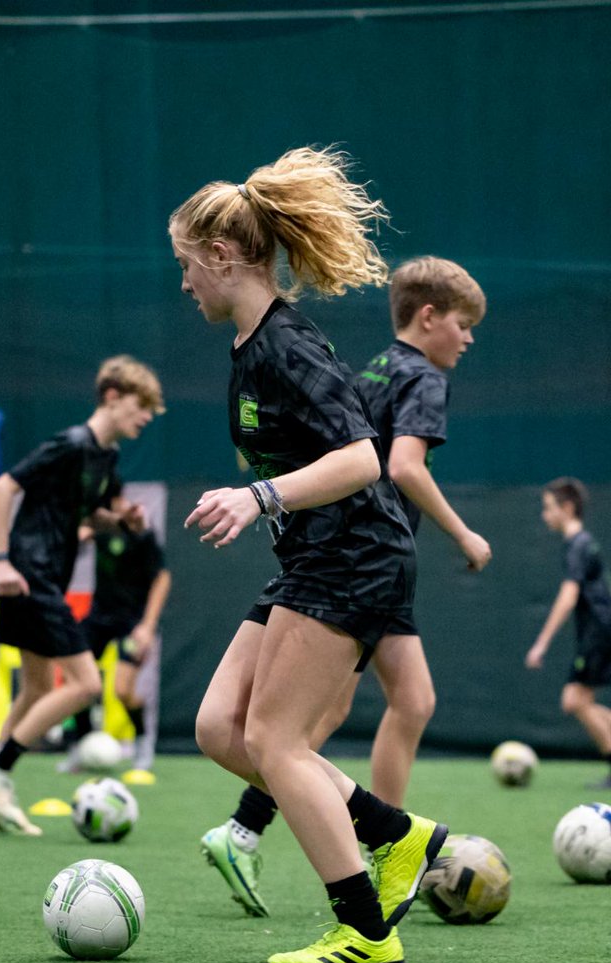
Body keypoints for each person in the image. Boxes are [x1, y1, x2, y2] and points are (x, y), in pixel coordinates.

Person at [170, 145, 447, 963]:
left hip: (353, 556)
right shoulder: (251, 344)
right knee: (221, 729)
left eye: (187, 265)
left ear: (224, 256)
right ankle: (396, 834)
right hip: (315, 557)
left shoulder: (287, 346)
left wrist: (256, 497)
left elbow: (364, 459)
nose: (184, 283)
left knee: (276, 740)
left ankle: (365, 929)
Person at [205, 256, 491, 915]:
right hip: (357, 554)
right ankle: (386, 844)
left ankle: (354, 841)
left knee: (355, 712)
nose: (468, 338)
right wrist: (465, 534)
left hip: (341, 552)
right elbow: (401, 465)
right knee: (301, 725)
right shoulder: (423, 375)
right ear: (429, 317)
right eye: (463, 324)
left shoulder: (377, 366)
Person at [0, 355, 165, 833]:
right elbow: (3, 488)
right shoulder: (71, 443)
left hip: (48, 577)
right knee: (87, 685)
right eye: (141, 406)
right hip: (29, 575)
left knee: (35, 690)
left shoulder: (105, 456)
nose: (146, 417)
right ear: (112, 397)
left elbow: (88, 515)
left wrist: (121, 521)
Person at [58, 520, 172, 777]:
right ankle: (81, 746)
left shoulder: (142, 533)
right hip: (98, 618)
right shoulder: (100, 526)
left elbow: (163, 578)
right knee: (76, 680)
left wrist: (147, 626)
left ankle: (142, 741)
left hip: (133, 623)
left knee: (122, 689)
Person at [526, 477, 611, 788]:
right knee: (576, 700)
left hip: (597, 634)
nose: (545, 515)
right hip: (597, 632)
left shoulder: (578, 544)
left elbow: (569, 595)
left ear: (568, 508)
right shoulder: (581, 544)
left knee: (574, 701)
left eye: (549, 508)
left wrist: (541, 643)